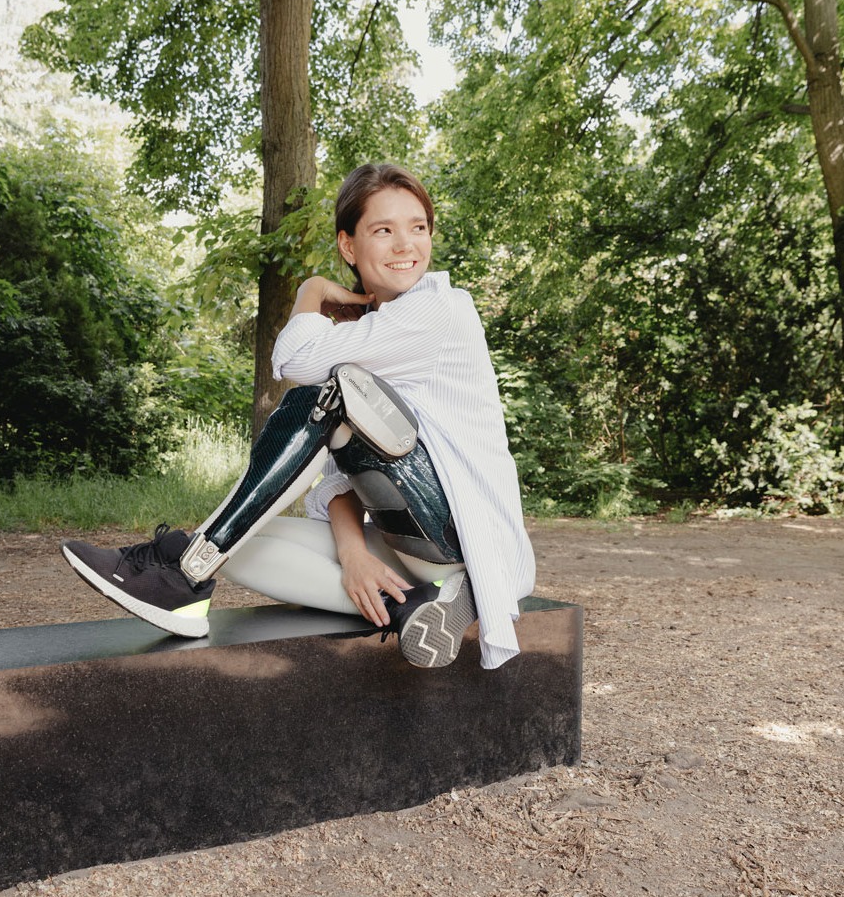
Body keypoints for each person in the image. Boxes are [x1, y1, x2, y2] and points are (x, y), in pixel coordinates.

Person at [62, 163, 535, 669]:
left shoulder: (442, 308)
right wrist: (355, 558)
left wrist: (312, 290)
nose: (406, 245)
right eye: (384, 230)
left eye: (418, 227)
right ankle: (420, 606)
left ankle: (182, 574)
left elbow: (295, 363)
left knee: (327, 395)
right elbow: (337, 476)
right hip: (419, 550)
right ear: (349, 246)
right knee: (241, 543)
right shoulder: (378, 330)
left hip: (462, 533)